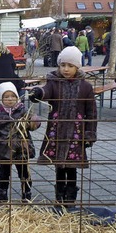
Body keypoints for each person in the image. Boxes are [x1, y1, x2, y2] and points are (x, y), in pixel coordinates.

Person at [28, 46, 97, 204]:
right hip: (57, 131)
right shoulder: (54, 83)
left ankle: (70, 196)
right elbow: (46, 91)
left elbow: (92, 112)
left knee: (71, 166)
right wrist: (38, 92)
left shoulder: (85, 87)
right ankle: (59, 195)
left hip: (76, 132)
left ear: (77, 67)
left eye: (70, 66)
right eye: (63, 65)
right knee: (59, 165)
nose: (66, 69)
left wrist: (89, 134)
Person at [0, 82, 38, 203]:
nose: (10, 99)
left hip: (21, 148)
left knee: (24, 172)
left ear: (17, 97)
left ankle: (26, 193)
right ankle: (2, 193)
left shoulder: (23, 111)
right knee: (4, 173)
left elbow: (32, 126)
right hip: (4, 149)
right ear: (1, 99)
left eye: (13, 96)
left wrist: (35, 122)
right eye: (6, 97)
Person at [0, 42, 24, 110]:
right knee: (21, 85)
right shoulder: (9, 55)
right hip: (9, 79)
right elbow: (13, 66)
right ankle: (21, 102)